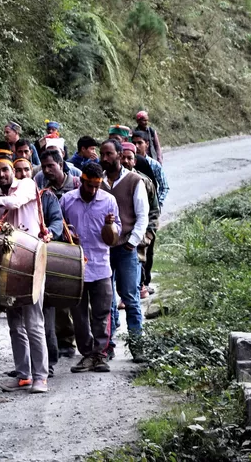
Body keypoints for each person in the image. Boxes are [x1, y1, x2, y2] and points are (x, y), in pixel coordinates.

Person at [0, 153, 50, 394]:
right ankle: (23, 375)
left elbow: (14, 203)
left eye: (5, 170)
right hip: (9, 270)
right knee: (15, 324)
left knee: (34, 322)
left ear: (12, 171)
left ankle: (41, 377)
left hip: (33, 264)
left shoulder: (25, 184)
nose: (1, 175)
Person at [61, 163, 120, 373]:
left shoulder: (109, 201)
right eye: (89, 185)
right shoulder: (67, 200)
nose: (93, 190)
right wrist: (67, 233)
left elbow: (115, 235)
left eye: (97, 185)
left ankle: (100, 354)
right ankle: (86, 354)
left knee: (102, 313)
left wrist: (110, 226)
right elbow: (59, 228)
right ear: (81, 181)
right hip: (75, 267)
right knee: (78, 314)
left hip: (101, 265)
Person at [14, 157, 63, 377]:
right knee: (18, 323)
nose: (23, 173)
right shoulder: (11, 198)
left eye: (26, 170)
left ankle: (46, 367)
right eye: (19, 170)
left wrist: (50, 233)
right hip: (17, 266)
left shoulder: (46, 197)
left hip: (42, 259)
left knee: (41, 319)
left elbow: (56, 222)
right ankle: (24, 371)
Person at [99, 140, 148, 361]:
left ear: (119, 155)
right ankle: (106, 345)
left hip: (126, 247)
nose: (104, 158)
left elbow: (142, 215)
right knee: (106, 299)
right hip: (103, 250)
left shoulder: (134, 181)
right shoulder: (98, 181)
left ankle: (137, 346)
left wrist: (132, 242)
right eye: (102, 154)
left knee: (130, 297)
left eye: (108, 154)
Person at [33, 149, 82, 358]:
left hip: (73, 247)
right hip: (49, 250)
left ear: (61, 165)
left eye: (50, 166)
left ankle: (84, 344)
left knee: (77, 299)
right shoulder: (40, 183)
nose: (46, 170)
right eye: (43, 166)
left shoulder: (77, 183)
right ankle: (63, 343)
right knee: (56, 299)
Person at [120, 143, 160, 300]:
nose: (125, 161)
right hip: (119, 236)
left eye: (129, 158)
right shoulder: (110, 181)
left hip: (139, 235)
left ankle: (132, 298)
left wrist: (148, 234)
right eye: (122, 157)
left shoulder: (145, 182)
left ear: (134, 161)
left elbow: (154, 210)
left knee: (136, 267)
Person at [131, 131, 168, 208]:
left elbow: (164, 186)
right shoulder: (128, 164)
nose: (136, 146)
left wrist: (158, 203)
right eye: (134, 143)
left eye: (140, 143)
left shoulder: (154, 165)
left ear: (147, 144)